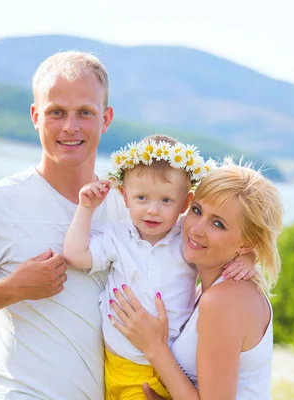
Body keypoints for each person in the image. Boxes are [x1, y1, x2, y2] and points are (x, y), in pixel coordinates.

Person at [0, 51, 129, 399]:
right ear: (35, 116)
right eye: (56, 112)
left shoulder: (130, 206)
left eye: (84, 113)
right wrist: (12, 288)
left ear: (105, 119)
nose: (70, 127)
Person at [63, 137, 257, 400]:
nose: (152, 210)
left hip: (167, 367)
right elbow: (75, 255)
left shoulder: (186, 239)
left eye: (166, 200)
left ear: (185, 203)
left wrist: (249, 258)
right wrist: (85, 208)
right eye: (141, 197)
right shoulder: (117, 237)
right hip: (120, 361)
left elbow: (227, 252)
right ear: (124, 197)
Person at [108, 158, 284, 400]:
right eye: (197, 210)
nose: (196, 229)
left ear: (246, 244)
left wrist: (154, 347)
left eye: (218, 224)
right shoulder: (211, 291)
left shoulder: (224, 300)